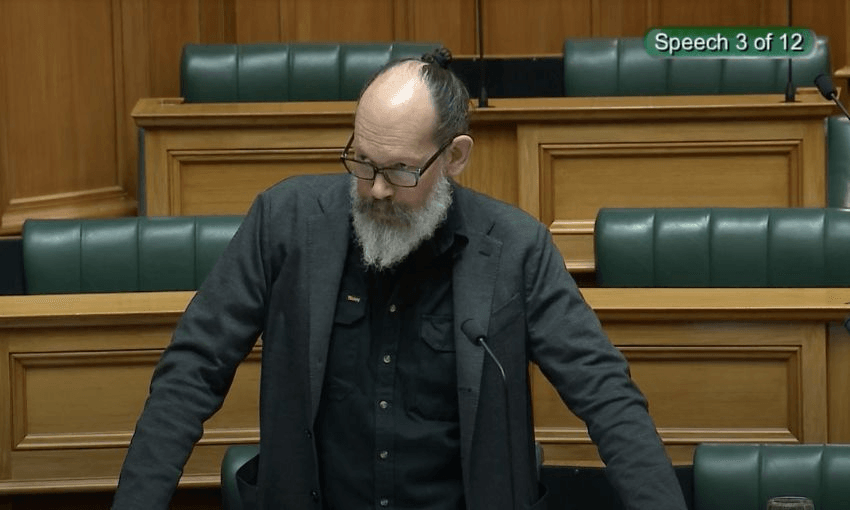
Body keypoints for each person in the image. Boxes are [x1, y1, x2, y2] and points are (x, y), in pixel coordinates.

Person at [112, 48, 687, 510]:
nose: (376, 189)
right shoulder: (284, 220)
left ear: (455, 156)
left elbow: (606, 395)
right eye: (361, 162)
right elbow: (192, 369)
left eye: (399, 170)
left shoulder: (516, 248)